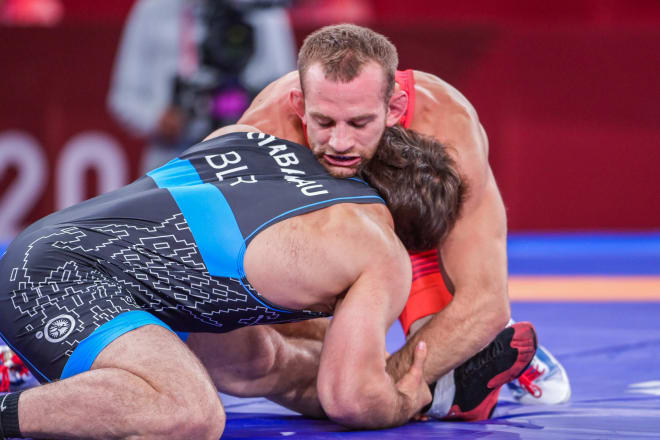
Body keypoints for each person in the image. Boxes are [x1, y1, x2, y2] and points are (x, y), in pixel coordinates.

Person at [0, 123, 466, 438]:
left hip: (61, 256)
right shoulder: (380, 246)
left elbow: (321, 362)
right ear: (414, 239)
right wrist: (403, 399)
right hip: (62, 284)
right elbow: (348, 398)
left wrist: (372, 377)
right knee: (191, 412)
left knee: (257, 356)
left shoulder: (252, 135)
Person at [230, 23, 570, 417]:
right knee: (268, 346)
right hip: (315, 237)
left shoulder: (445, 126)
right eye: (323, 122)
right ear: (299, 105)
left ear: (393, 108)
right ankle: (448, 380)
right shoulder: (264, 134)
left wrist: (374, 390)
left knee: (352, 383)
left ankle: (454, 360)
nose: (340, 143)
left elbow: (485, 302)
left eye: (359, 123)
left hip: (409, 237)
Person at [107, 0, 298, 173]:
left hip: (248, 160)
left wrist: (254, 113)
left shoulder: (264, 10)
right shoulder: (153, 9)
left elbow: (284, 92)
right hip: (173, 161)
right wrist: (157, 119)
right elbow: (124, 97)